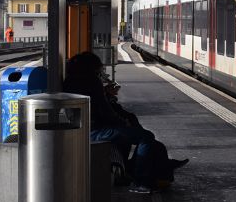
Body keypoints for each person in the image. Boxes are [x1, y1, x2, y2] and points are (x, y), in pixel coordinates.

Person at [63, 52, 186, 193]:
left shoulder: (74, 81)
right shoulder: (91, 81)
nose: (101, 72)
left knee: (155, 144)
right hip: (94, 131)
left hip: (87, 128)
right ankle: (141, 182)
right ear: (92, 68)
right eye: (99, 69)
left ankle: (157, 169)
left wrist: (105, 94)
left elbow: (96, 105)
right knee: (146, 138)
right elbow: (105, 110)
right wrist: (123, 122)